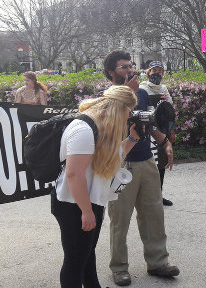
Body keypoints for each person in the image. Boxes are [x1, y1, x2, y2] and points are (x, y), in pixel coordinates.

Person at [103, 50, 179, 286]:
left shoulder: (143, 94)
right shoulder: (106, 96)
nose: (129, 70)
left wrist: (164, 142)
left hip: (146, 159)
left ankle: (157, 262)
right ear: (111, 72)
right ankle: (119, 267)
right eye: (123, 67)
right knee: (120, 218)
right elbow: (115, 120)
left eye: (130, 66)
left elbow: (148, 122)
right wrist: (130, 91)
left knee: (153, 213)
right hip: (120, 163)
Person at [52, 85, 138, 288]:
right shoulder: (83, 129)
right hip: (74, 204)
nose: (129, 118)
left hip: (89, 201)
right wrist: (86, 211)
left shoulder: (101, 126)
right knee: (75, 261)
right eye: (129, 112)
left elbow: (111, 158)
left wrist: (133, 139)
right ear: (119, 108)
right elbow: (74, 174)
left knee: (87, 255)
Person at [139, 61, 175, 206]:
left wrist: (168, 102)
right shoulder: (143, 88)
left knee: (161, 164)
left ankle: (158, 195)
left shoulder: (164, 88)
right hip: (147, 131)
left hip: (161, 130)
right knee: (149, 166)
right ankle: (147, 196)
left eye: (160, 71)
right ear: (148, 72)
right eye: (154, 70)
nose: (157, 73)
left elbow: (170, 112)